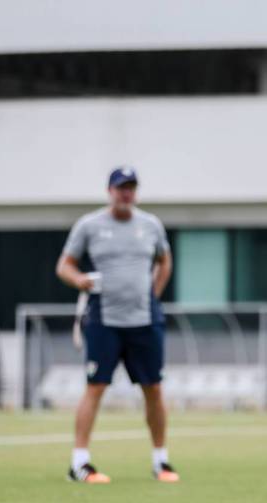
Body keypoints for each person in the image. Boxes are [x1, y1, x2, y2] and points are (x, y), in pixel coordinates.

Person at [55, 166, 178, 484]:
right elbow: (64, 265)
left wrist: (154, 293)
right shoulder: (90, 225)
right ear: (109, 190)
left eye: (131, 187)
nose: (127, 193)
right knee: (95, 386)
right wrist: (79, 279)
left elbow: (165, 260)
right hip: (104, 320)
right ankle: (79, 463)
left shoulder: (151, 225)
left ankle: (160, 461)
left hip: (144, 319)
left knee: (153, 387)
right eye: (121, 187)